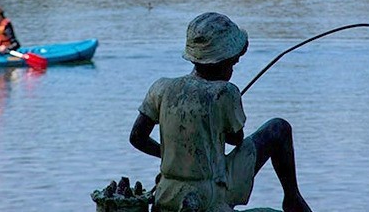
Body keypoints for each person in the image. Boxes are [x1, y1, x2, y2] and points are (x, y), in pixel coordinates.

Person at [129, 12, 312, 212]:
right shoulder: (225, 92)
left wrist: (170, 157)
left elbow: (137, 137)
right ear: (224, 61)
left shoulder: (161, 87)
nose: (233, 68)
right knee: (279, 128)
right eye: (233, 63)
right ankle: (292, 198)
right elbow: (236, 139)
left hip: (167, 191)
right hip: (210, 194)